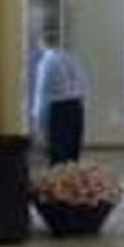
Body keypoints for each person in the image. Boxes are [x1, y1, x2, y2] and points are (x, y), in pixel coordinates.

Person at [31, 24, 91, 165]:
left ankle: (59, 176)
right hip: (76, 106)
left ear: (42, 42)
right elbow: (83, 82)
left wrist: (37, 117)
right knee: (72, 150)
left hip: (58, 109)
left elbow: (42, 92)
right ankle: (71, 175)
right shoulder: (69, 58)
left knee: (58, 153)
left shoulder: (46, 62)